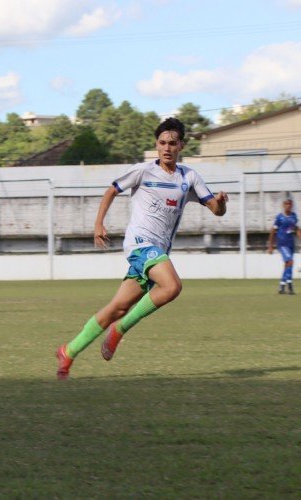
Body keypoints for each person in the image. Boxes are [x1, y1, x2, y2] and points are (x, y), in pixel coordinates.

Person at [56, 117, 229, 380]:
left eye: (172, 143)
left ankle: (69, 351)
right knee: (171, 287)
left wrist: (221, 202)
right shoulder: (143, 171)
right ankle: (119, 330)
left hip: (157, 252)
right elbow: (111, 191)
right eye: (162, 143)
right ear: (156, 145)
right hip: (139, 244)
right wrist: (98, 224)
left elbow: (216, 211)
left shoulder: (189, 177)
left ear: (181, 145)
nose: (167, 148)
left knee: (117, 307)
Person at [267, 198, 301, 295]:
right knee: (290, 262)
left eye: (290, 204)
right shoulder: (279, 218)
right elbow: (273, 231)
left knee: (288, 265)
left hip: (291, 244)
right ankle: (290, 285)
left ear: (292, 206)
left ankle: (282, 286)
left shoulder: (294, 216)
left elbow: (296, 229)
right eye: (286, 204)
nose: (288, 205)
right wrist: (270, 246)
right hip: (282, 244)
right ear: (284, 206)